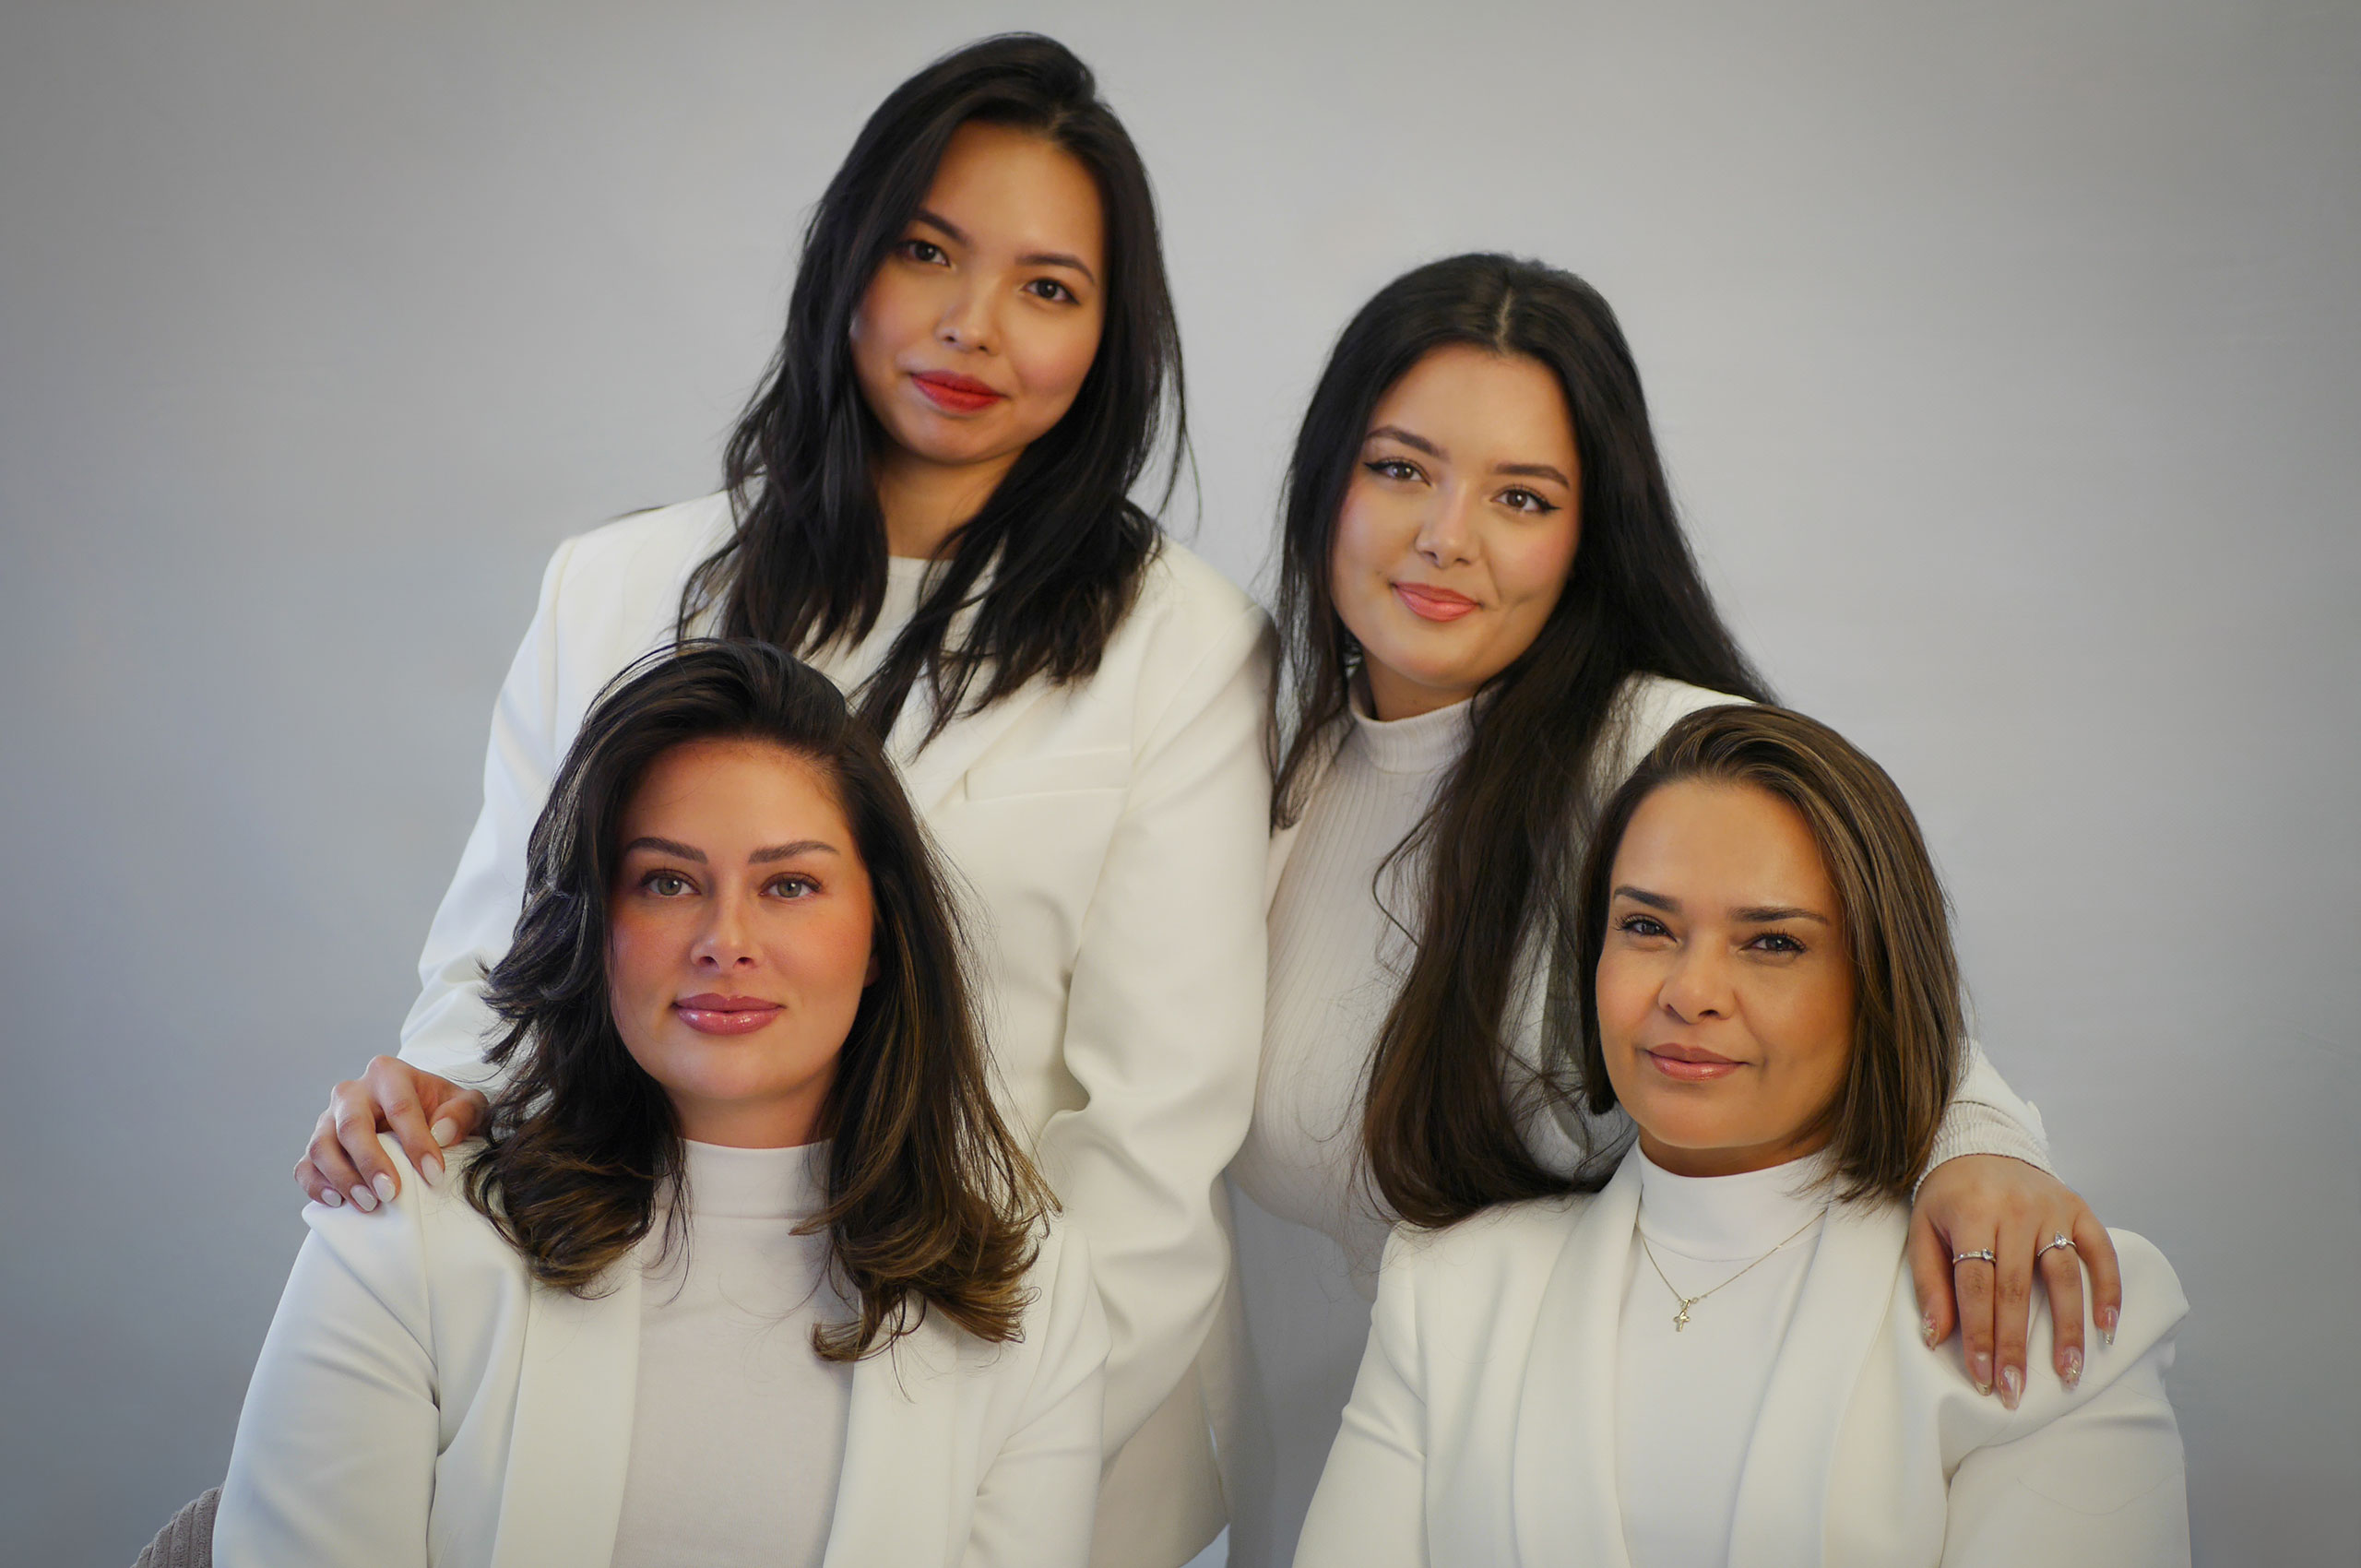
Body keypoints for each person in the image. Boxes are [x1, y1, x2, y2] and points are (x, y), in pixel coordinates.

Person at [290, 36, 1267, 1563]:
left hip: (1009, 1379)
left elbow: (1152, 1133)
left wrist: (982, 1426)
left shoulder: (1183, 644)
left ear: (1110, 334)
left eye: (1048, 286)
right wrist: (411, 1133)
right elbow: (497, 985)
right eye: (928, 252)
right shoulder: (616, 587)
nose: (974, 325)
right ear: (846, 262)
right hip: (607, 1331)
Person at [1220, 254, 2122, 1561]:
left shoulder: (1661, 757)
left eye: (1521, 497)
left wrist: (1988, 1158)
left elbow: (1887, 1019)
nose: (1446, 537)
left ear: (1589, 534)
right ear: (1324, 481)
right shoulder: (1258, 772)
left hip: (1634, 1482)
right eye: (1401, 468)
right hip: (1326, 1480)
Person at [218, 642, 1109, 1566]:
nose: (726, 940)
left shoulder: (1036, 1290)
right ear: (597, 924)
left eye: (789, 885)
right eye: (668, 881)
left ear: (880, 933)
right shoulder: (403, 1229)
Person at [1293, 702, 2188, 1565]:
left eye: (1772, 943)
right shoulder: (1448, 1291)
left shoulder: (2037, 1309)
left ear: (1877, 981)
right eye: (1646, 926)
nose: (1691, 993)